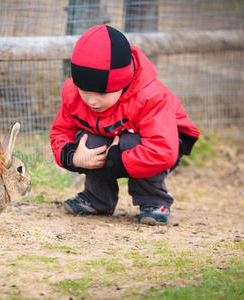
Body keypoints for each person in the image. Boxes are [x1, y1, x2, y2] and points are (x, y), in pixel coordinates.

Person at [49, 24, 200, 225]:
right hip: (115, 135)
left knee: (132, 142)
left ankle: (154, 201)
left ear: (122, 84)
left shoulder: (150, 97)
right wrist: (72, 156)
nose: (92, 101)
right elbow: (61, 131)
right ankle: (97, 199)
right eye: (85, 91)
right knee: (91, 142)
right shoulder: (73, 93)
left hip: (168, 142)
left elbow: (162, 149)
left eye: (102, 94)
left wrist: (117, 160)